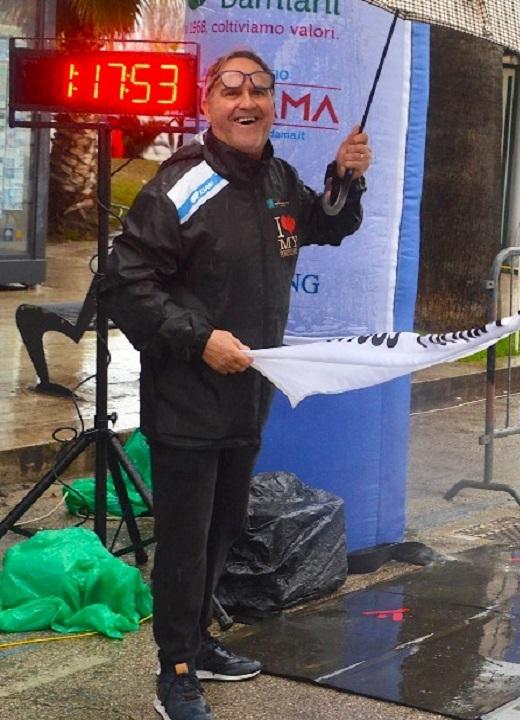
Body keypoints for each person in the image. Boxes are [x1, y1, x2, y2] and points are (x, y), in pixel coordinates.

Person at [101, 50, 371, 720]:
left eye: (259, 89)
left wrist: (346, 178)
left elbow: (326, 223)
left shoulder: (279, 178)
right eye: (231, 90)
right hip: (186, 396)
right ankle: (177, 672)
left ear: (274, 102)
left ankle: (200, 640)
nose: (246, 101)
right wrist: (199, 338)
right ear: (208, 105)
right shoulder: (180, 185)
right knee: (186, 543)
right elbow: (124, 283)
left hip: (249, 395)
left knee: (222, 530)